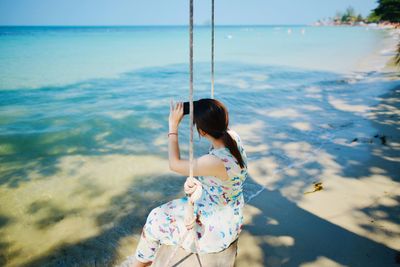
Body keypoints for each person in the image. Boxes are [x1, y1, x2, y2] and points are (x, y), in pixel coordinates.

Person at [132, 98, 248, 267]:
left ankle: (138, 265)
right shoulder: (233, 137)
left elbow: (174, 164)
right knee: (167, 212)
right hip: (232, 216)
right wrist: (191, 109)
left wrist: (173, 126)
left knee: (154, 218)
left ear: (201, 132)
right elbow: (223, 180)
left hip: (216, 231)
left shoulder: (215, 161)